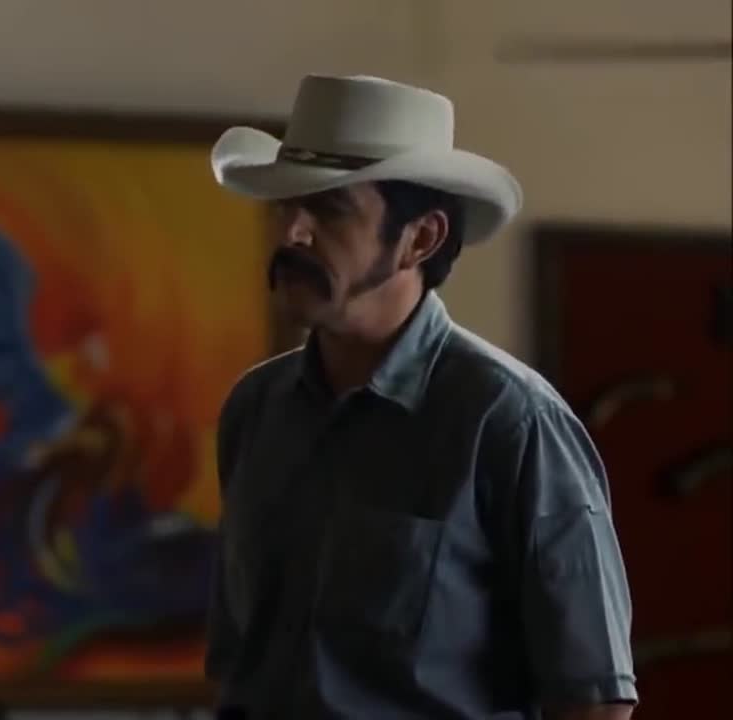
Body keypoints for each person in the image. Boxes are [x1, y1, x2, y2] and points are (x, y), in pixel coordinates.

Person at [204, 74, 637, 719]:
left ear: (421, 238)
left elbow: (593, 699)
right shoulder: (257, 408)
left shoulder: (509, 419)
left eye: (329, 210)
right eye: (285, 207)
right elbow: (239, 661)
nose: (291, 233)